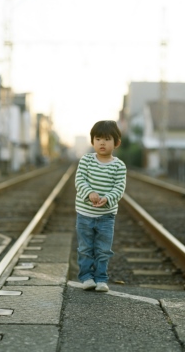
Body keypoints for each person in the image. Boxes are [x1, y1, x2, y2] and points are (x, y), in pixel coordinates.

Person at [75, 120, 127, 292]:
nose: (102, 143)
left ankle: (101, 279)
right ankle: (86, 277)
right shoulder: (86, 160)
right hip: (84, 214)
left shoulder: (119, 166)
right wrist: (89, 193)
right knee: (85, 248)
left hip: (107, 216)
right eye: (98, 139)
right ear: (92, 142)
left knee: (104, 249)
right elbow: (80, 180)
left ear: (116, 143)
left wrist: (108, 198)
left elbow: (119, 187)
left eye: (107, 139)